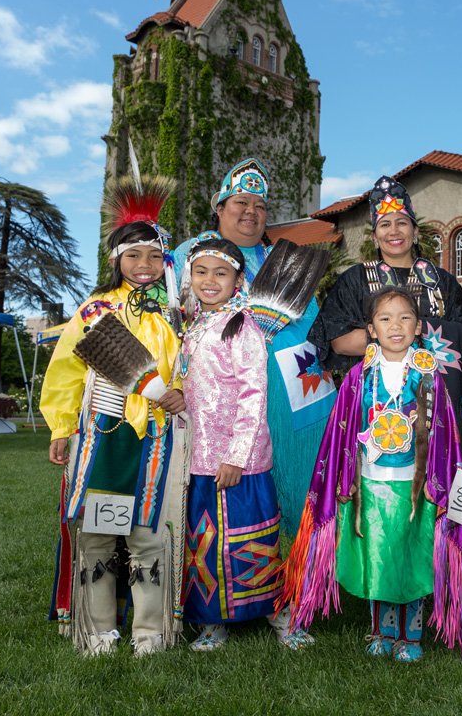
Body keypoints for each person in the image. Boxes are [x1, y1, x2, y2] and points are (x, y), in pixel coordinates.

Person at [280, 287, 462, 661]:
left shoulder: (429, 376)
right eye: (385, 318)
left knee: (412, 556)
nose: (395, 325)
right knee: (378, 556)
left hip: (415, 486)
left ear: (418, 327)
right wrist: (346, 478)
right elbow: (342, 431)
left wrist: (443, 483)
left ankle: (412, 635)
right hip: (370, 484)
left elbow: (446, 430)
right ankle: (381, 630)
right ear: (371, 330)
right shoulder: (359, 377)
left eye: (405, 317)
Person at [41, 175, 188, 656]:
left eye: (152, 255)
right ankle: (98, 627)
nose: (143, 265)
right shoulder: (95, 309)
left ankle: (151, 631)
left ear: (164, 261)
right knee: (100, 533)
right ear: (115, 261)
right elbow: (66, 370)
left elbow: (196, 365)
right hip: (106, 435)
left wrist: (181, 390)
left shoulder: (178, 313)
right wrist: (62, 425)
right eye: (132, 255)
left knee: (149, 536)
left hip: (161, 439)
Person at [173, 159, 336, 534]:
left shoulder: (282, 260)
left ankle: (302, 577)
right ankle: (234, 579)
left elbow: (314, 326)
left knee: (303, 487)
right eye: (241, 202)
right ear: (220, 209)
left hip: (297, 391)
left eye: (260, 206)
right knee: (230, 507)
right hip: (223, 399)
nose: (251, 212)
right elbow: (171, 324)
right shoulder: (189, 256)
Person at [179, 238, 313, 652]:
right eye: (201, 271)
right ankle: (212, 622)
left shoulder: (243, 326)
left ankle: (282, 616)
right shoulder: (194, 327)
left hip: (243, 461)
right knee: (205, 542)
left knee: (253, 540)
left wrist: (237, 456)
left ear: (239, 280)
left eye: (220, 273)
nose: (209, 280)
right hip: (198, 458)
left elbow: (254, 394)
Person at [309, 175, 462, 443]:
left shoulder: (443, 282)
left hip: (441, 404)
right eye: (385, 224)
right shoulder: (355, 280)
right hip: (376, 404)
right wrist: (416, 334)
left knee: (437, 478)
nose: (393, 231)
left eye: (402, 223)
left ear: (415, 231)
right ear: (374, 236)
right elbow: (339, 343)